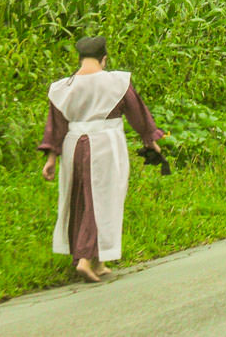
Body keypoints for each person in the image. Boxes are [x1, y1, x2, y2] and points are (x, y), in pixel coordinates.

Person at [39, 36, 163, 282]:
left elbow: (56, 125)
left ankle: (98, 261)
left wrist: (51, 158)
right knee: (102, 199)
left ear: (80, 59)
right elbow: (137, 113)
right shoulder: (116, 82)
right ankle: (85, 259)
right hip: (105, 144)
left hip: (74, 144)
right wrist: (152, 141)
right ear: (103, 59)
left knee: (81, 197)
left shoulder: (64, 87)